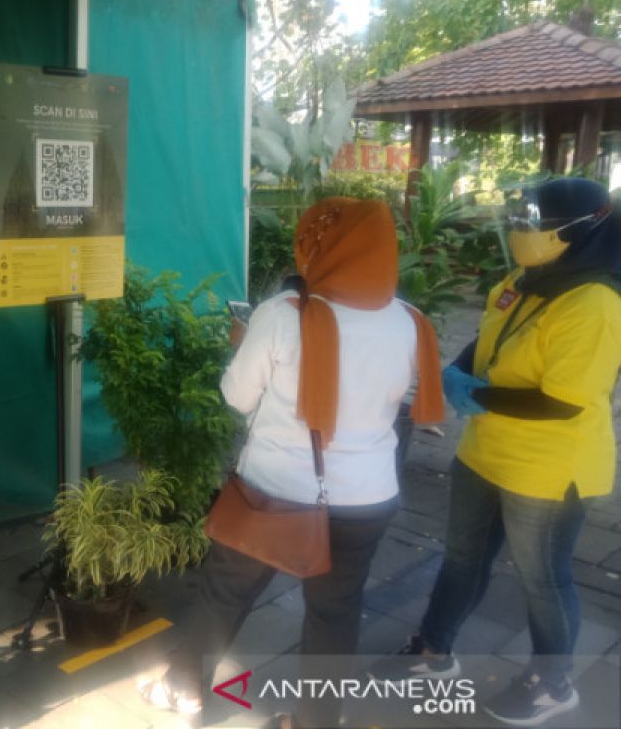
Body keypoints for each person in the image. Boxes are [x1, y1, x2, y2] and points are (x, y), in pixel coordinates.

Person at [143, 197, 445, 727]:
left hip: (275, 492)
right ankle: (315, 720)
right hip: (367, 496)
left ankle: (184, 687)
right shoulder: (411, 322)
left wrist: (247, 346)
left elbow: (238, 397)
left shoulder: (285, 315)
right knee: (335, 611)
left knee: (226, 590)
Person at [371, 177, 621, 727]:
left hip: (550, 468)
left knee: (544, 579)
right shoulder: (524, 279)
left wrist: (475, 394)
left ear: (581, 231)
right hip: (486, 451)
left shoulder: (596, 303)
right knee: (462, 558)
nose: (523, 233)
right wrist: (459, 372)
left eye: (537, 225)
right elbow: (489, 336)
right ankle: (434, 649)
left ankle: (553, 684)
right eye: (519, 222)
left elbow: (563, 402)